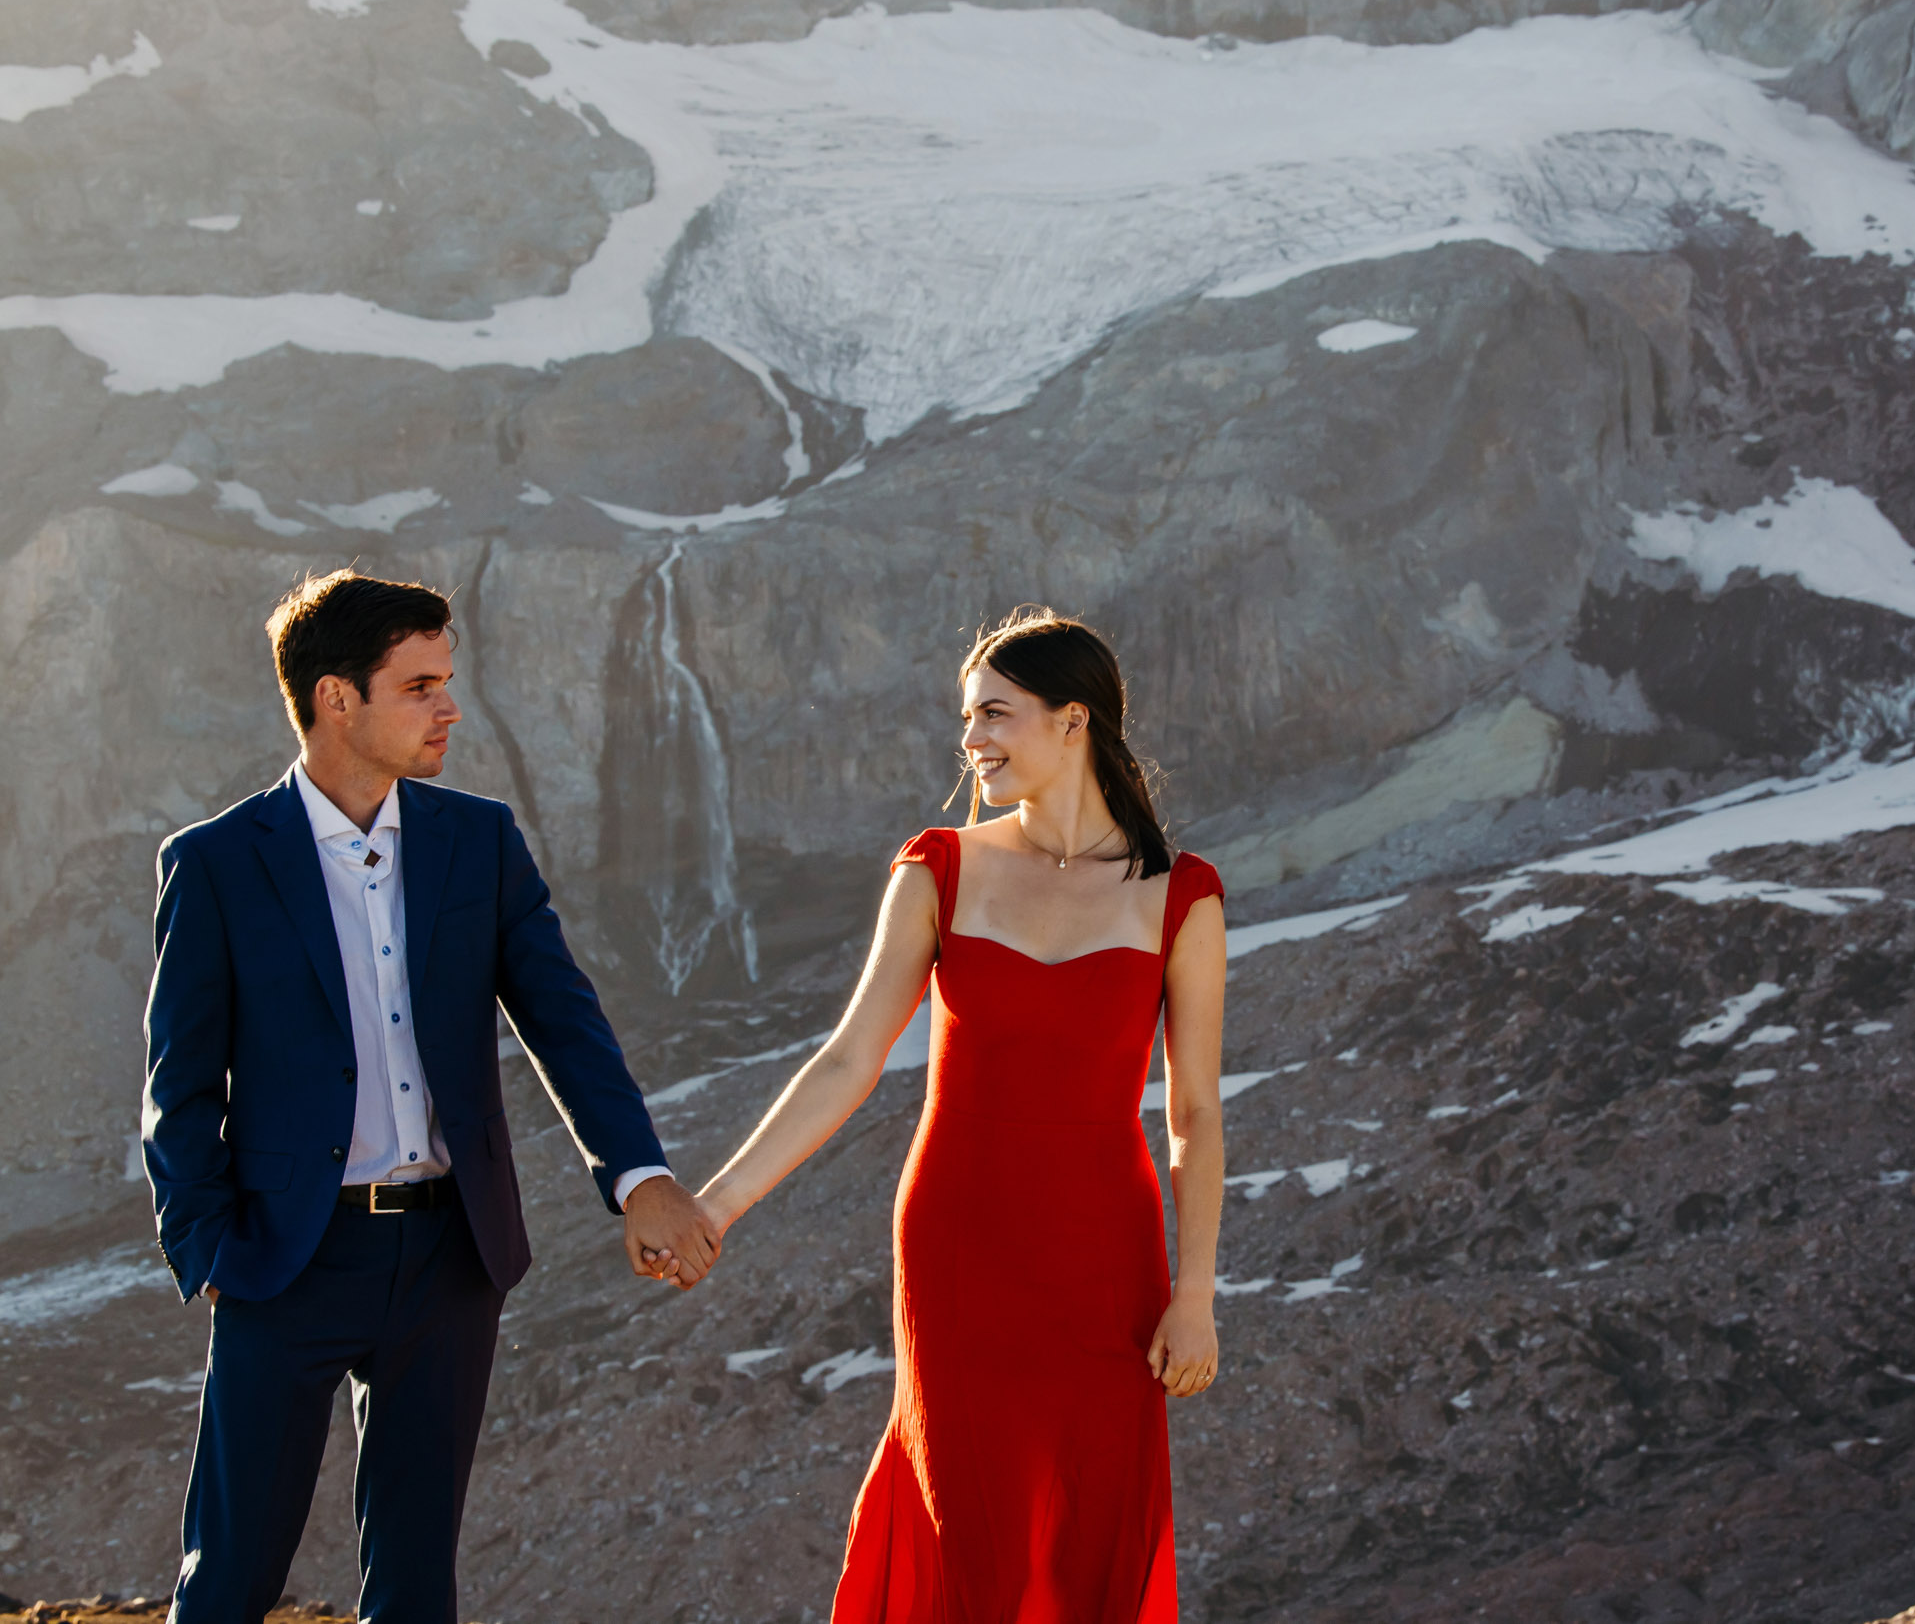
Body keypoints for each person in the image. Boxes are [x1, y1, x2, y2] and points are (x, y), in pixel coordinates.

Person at [142, 569, 719, 1624]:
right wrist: (212, 1249)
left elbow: (564, 1021)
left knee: (416, 1587)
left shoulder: (478, 840)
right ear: (335, 699)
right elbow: (178, 1087)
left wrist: (640, 1174)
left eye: (447, 680)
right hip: (285, 1261)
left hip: (452, 1259)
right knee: (228, 1578)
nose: (450, 705)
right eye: (420, 685)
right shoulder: (218, 864)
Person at [690, 606, 1227, 1622]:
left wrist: (1193, 1290)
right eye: (965, 719)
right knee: (970, 1527)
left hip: (1107, 1254)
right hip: (960, 1237)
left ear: (1074, 721)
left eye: (994, 714)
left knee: (1096, 1529)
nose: (969, 739)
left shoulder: (1179, 893)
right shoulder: (937, 865)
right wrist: (716, 1205)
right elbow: (848, 1057)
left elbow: (1194, 1111)